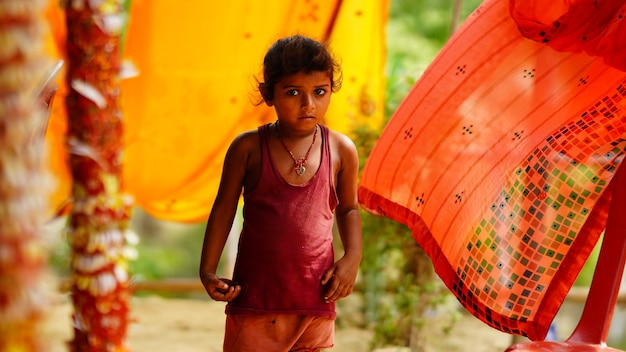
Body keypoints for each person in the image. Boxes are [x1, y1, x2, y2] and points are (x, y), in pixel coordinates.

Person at [199, 34, 363, 352]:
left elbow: (349, 209)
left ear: (331, 90)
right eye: (292, 92)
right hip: (255, 301)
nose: (308, 104)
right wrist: (207, 269)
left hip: (316, 301)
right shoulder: (248, 148)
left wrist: (352, 257)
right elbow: (223, 209)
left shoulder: (341, 149)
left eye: (319, 92)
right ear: (268, 94)